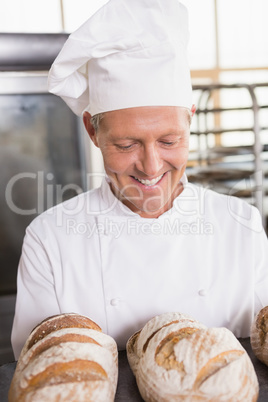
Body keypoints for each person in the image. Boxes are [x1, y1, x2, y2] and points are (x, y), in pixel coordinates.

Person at [11, 0, 268, 360]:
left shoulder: (242, 226)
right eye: (126, 144)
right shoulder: (51, 240)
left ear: (190, 121)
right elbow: (41, 370)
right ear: (92, 130)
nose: (150, 167)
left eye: (169, 141)